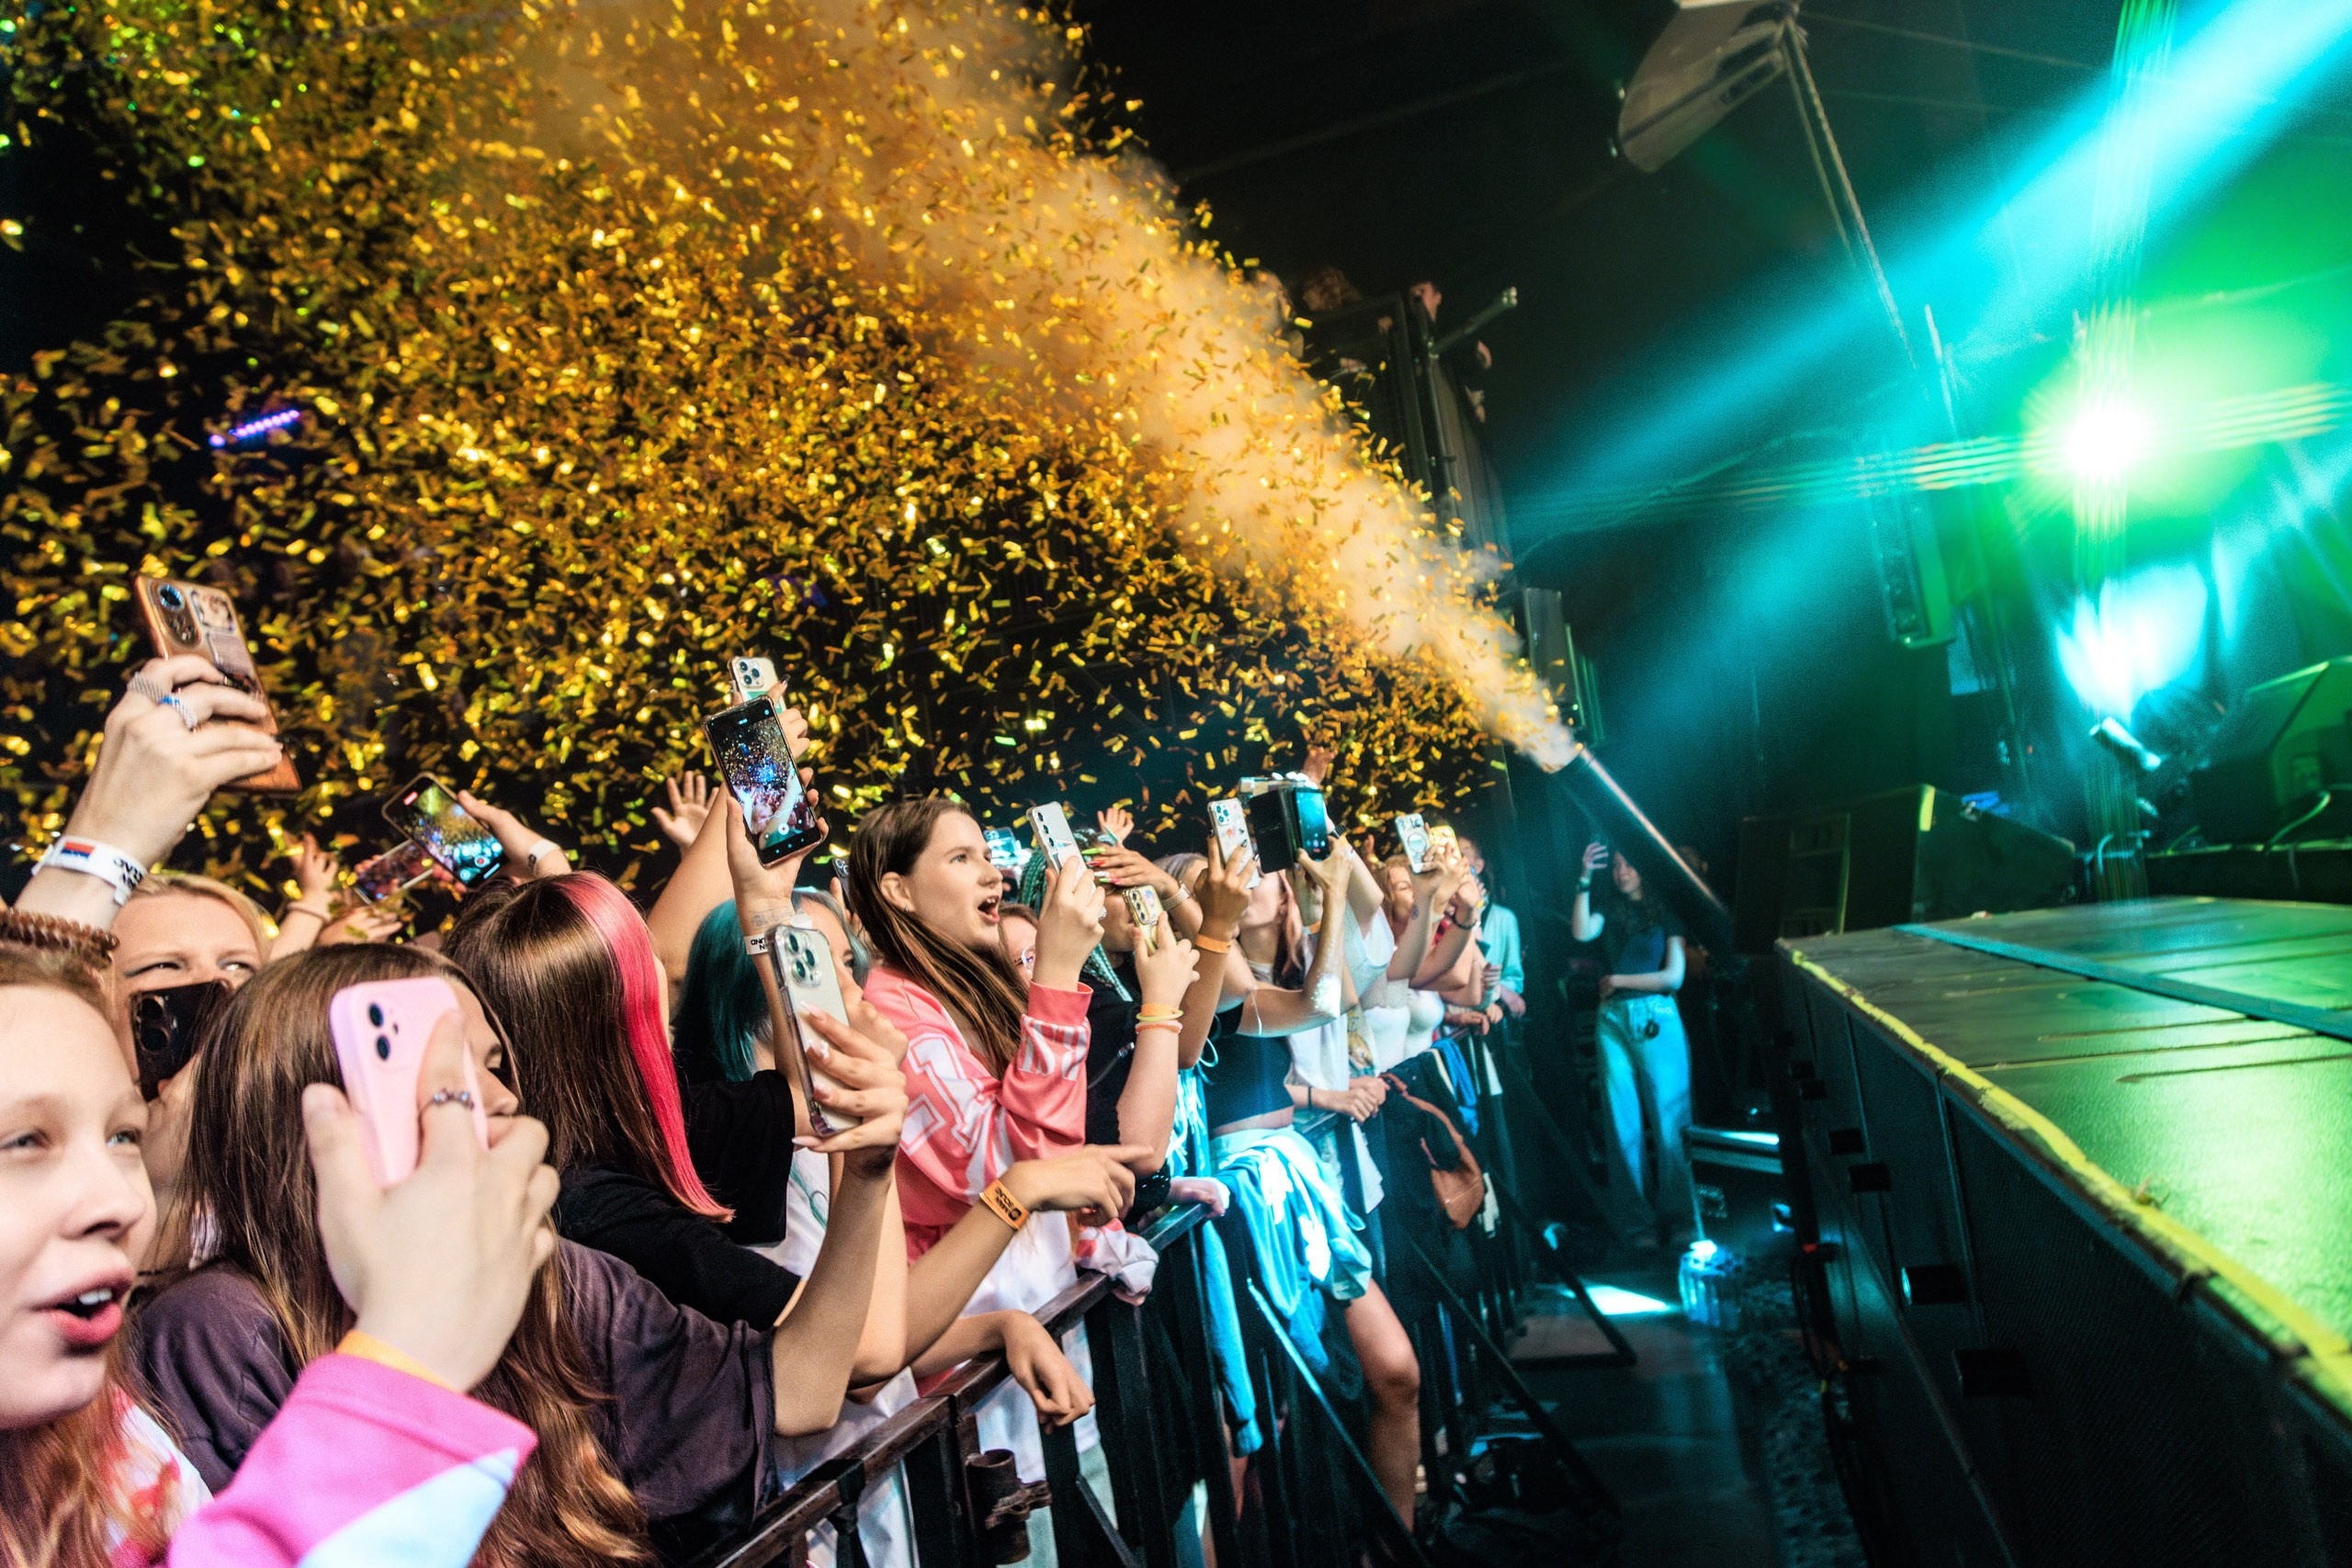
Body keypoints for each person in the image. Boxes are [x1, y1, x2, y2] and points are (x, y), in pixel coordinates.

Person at [130, 941, 905, 1562]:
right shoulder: (219, 1328)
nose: (498, 1097)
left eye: (495, 1064)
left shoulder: (556, 1273)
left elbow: (798, 1388)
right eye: (446, 1076)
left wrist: (867, 1173)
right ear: (321, 1103)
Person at [0, 945, 563, 1568]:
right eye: (25, 1141)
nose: (121, 1201)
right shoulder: (218, 1325)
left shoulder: (118, 1447)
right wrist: (406, 1363)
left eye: (123, 1136)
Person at [842, 797, 1188, 1555]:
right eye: (959, 857)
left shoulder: (966, 993)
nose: (991, 870)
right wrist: (1057, 971)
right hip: (979, 1410)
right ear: (898, 890)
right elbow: (1008, 1173)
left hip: (1045, 1367)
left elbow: (1051, 1164)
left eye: (985, 853)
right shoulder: (897, 1020)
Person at [1183, 839, 1425, 1529]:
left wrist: (1332, 891)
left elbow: (1332, 996)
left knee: (1394, 1371)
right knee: (1253, 1433)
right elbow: (1324, 1001)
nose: (1245, 884)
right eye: (1220, 887)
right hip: (1238, 1198)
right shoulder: (1207, 991)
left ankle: (1391, 1549)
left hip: (1291, 1171)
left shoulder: (1243, 985)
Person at [1571, 840, 1691, 1247]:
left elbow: (1673, 977)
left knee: (1670, 1120)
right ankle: (1637, 1225)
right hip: (1613, 1017)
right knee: (1621, 1124)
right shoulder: (1612, 909)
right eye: (1617, 865)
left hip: (1654, 1015)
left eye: (1629, 864)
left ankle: (1681, 1219)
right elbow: (1581, 930)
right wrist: (1585, 878)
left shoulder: (1665, 912)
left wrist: (1619, 981)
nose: (1622, 872)